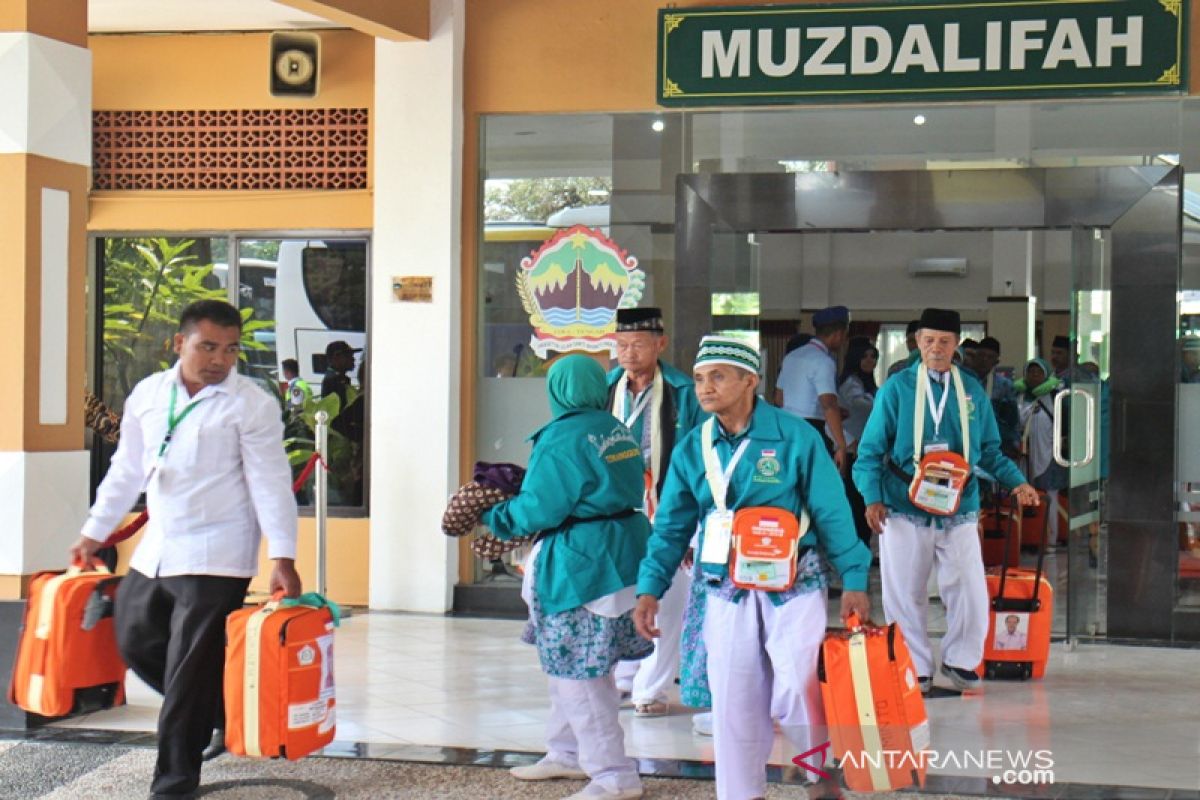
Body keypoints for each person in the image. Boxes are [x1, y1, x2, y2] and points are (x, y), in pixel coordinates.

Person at [70, 299, 300, 799]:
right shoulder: (149, 394)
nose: (220, 359)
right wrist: (94, 531)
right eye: (208, 346)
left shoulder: (251, 404)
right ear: (180, 344)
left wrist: (282, 556)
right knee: (134, 640)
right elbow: (127, 469)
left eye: (230, 349)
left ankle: (173, 784)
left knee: (186, 666)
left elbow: (270, 482)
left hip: (218, 553)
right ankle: (218, 712)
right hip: (158, 549)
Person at [635, 335, 871, 800]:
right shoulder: (692, 447)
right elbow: (670, 528)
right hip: (725, 587)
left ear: (750, 381)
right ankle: (741, 793)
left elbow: (832, 512)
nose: (705, 387)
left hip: (793, 584)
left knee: (799, 688)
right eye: (701, 378)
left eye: (718, 376)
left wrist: (856, 579)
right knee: (734, 698)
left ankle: (817, 775)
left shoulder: (795, 436)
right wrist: (650, 589)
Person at [484, 354, 650, 800]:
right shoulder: (615, 428)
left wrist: (496, 516)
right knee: (574, 664)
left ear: (557, 390)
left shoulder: (562, 436)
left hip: (581, 562)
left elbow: (541, 508)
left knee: (579, 673)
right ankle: (566, 753)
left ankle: (614, 776)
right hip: (618, 552)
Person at [853, 308, 1038, 695]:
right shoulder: (897, 388)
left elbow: (988, 451)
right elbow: (869, 451)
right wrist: (872, 498)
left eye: (945, 341)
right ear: (917, 342)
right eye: (929, 340)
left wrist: (1017, 482)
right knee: (904, 591)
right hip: (904, 504)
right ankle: (916, 666)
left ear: (957, 345)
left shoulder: (970, 390)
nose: (936, 348)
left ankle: (960, 660)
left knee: (969, 587)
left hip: (960, 504)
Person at [605, 308, 706, 719]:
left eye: (639, 344)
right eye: (622, 345)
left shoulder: (683, 391)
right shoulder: (607, 387)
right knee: (621, 594)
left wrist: (690, 522)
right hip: (617, 507)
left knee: (667, 597)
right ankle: (624, 677)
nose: (629, 353)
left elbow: (701, 454)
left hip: (668, 505)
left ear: (660, 344)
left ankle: (653, 688)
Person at [774, 305, 850, 470]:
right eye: (845, 335)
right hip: (810, 430)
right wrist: (841, 445)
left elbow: (779, 399)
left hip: (786, 428)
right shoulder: (823, 361)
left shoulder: (791, 357)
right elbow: (828, 405)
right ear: (838, 334)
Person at [1015, 358, 1068, 543]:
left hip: (1050, 454)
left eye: (1038, 372)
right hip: (1024, 456)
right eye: (1031, 371)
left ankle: (1051, 539)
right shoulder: (1020, 397)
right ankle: (1028, 538)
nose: (1034, 375)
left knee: (1050, 497)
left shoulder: (1056, 396)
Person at [838, 336, 879, 547]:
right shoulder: (850, 383)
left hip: (864, 449)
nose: (870, 361)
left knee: (862, 500)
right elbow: (861, 406)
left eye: (874, 357)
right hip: (851, 448)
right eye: (865, 357)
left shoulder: (867, 383)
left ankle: (862, 546)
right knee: (854, 501)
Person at [967, 337, 1021, 458]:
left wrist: (1014, 443)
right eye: (981, 355)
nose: (984, 360)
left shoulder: (1004, 386)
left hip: (994, 443)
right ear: (975, 357)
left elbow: (1012, 420)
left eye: (990, 357)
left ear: (996, 361)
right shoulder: (964, 381)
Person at [320, 339, 358, 407]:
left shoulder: (341, 378)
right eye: (348, 356)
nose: (353, 359)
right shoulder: (332, 380)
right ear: (336, 357)